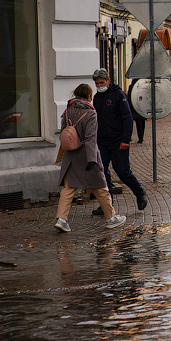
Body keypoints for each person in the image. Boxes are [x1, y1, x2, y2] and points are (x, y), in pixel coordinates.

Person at [54, 83, 126, 232]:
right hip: (87, 156)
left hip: (71, 156)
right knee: (101, 188)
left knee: (68, 189)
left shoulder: (67, 110)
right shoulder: (91, 113)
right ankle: (111, 218)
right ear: (89, 96)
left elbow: (63, 131)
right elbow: (91, 139)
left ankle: (61, 219)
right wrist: (92, 160)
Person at [91, 68, 148, 215]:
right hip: (102, 142)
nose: (99, 85)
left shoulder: (118, 95)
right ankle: (106, 205)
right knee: (102, 173)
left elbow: (127, 118)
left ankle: (140, 193)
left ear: (108, 81)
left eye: (102, 82)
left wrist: (125, 140)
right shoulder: (97, 98)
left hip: (118, 142)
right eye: (97, 83)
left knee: (122, 171)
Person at [127, 78, 146, 143]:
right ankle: (141, 137)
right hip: (141, 106)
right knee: (141, 123)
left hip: (134, 106)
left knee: (134, 123)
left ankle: (133, 138)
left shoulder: (132, 86)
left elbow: (129, 97)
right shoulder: (142, 86)